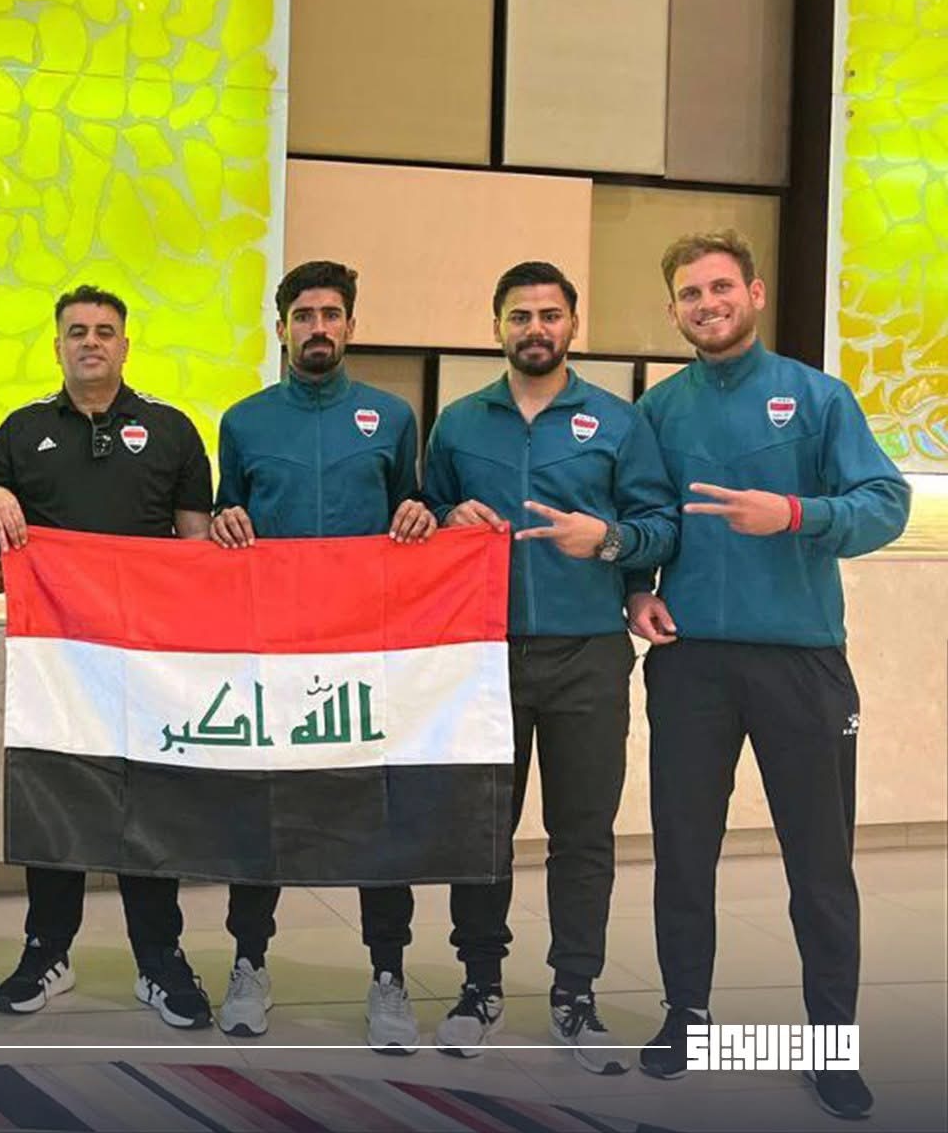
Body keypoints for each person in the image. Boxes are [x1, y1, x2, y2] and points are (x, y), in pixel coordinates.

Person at [628, 231, 910, 1120]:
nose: (706, 304)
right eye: (690, 294)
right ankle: (687, 1017)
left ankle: (830, 1045)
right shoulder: (658, 412)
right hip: (691, 665)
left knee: (820, 867)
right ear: (673, 311)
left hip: (802, 662)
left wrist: (793, 512)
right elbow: (645, 518)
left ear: (753, 293)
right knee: (683, 854)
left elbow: (886, 504)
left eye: (720, 287)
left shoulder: (818, 398)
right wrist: (636, 587)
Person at [421, 261, 678, 1072]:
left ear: (573, 323)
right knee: (482, 834)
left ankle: (575, 993)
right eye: (520, 315)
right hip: (482, 658)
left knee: (582, 836)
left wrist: (606, 541)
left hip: (588, 657)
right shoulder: (459, 423)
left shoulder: (617, 422)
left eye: (550, 314)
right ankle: (480, 986)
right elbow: (422, 517)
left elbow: (659, 524)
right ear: (496, 326)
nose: (536, 328)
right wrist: (446, 517)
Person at [0, 284, 216, 1030]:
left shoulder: (172, 430)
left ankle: (159, 958)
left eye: (104, 331)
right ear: (57, 346)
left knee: (150, 806)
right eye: (76, 331)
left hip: (148, 658)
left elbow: (196, 546)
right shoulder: (20, 432)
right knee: (56, 801)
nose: (90, 341)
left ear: (124, 346)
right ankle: (47, 951)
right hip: (57, 661)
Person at [210, 260, 435, 1043]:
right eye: (302, 315)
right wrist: (226, 523)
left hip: (367, 653)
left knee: (378, 814)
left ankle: (388, 975)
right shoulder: (243, 421)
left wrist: (418, 514)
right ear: (281, 329)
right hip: (271, 650)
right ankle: (248, 962)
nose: (317, 328)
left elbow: (413, 511)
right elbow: (225, 515)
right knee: (262, 814)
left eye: (330, 314)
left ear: (350, 326)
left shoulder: (391, 416)